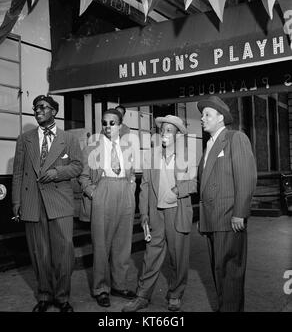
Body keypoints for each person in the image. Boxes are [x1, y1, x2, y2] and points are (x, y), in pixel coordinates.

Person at [11, 95, 83, 312]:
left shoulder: (68, 139)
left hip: (59, 202)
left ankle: (62, 298)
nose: (37, 110)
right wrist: (16, 202)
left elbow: (78, 166)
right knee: (38, 253)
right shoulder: (25, 139)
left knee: (63, 252)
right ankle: (44, 295)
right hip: (32, 202)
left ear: (54, 111)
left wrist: (57, 172)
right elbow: (17, 173)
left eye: (42, 107)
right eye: (35, 108)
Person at [122, 115, 197, 312]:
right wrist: (144, 214)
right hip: (156, 213)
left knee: (177, 256)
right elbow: (145, 186)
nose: (164, 134)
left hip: (177, 211)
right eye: (162, 130)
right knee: (151, 255)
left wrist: (177, 191)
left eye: (169, 131)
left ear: (178, 136)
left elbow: (193, 184)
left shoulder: (187, 156)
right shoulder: (152, 155)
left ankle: (175, 294)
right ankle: (142, 296)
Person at [197, 95, 257, 312]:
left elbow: (246, 177)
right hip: (213, 219)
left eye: (207, 115)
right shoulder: (209, 145)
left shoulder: (235, 138)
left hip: (229, 218)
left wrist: (240, 212)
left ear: (220, 117)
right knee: (219, 273)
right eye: (202, 115)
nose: (202, 119)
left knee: (230, 273)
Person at [79, 108, 136, 308]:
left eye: (112, 123)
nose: (108, 126)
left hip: (125, 192)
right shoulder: (92, 147)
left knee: (123, 245)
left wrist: (131, 187)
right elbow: (83, 177)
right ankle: (101, 288)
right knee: (101, 246)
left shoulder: (128, 146)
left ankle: (119, 285)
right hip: (103, 191)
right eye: (104, 123)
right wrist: (94, 193)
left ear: (120, 126)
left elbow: (132, 173)